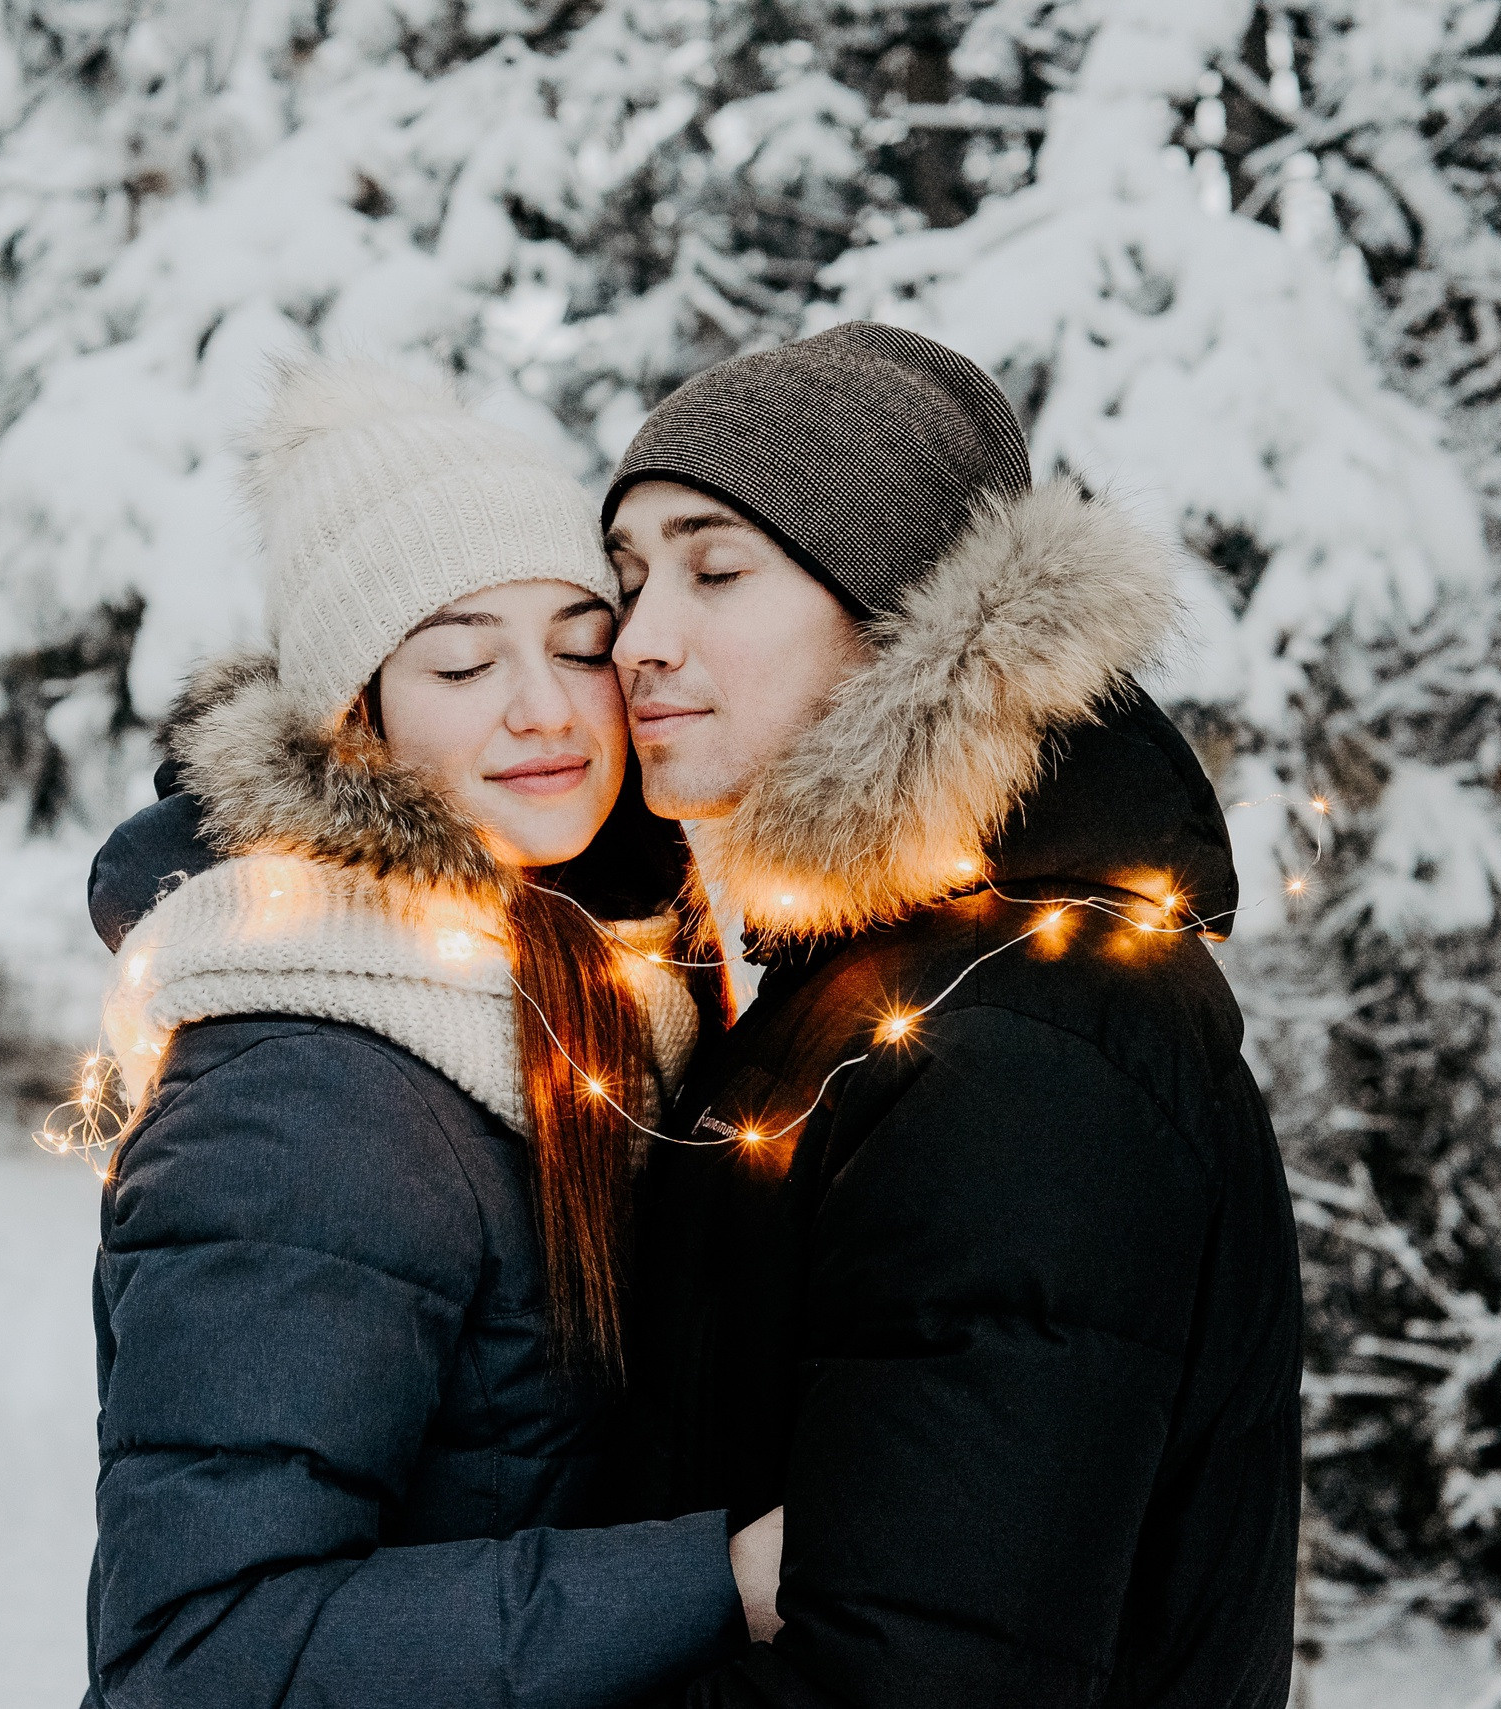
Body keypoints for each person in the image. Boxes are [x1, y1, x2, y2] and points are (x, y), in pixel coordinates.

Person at [596, 322, 1305, 1707]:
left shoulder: (1021, 1042)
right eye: (625, 582)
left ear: (906, 609)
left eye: (715, 569)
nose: (640, 641)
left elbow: (914, 1674)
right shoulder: (883, 987)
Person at [79, 361, 763, 1709]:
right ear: (358, 716)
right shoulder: (308, 1084)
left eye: (579, 641)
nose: (545, 706)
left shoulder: (589, 990)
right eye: (460, 658)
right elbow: (196, 1656)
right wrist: (715, 1582)